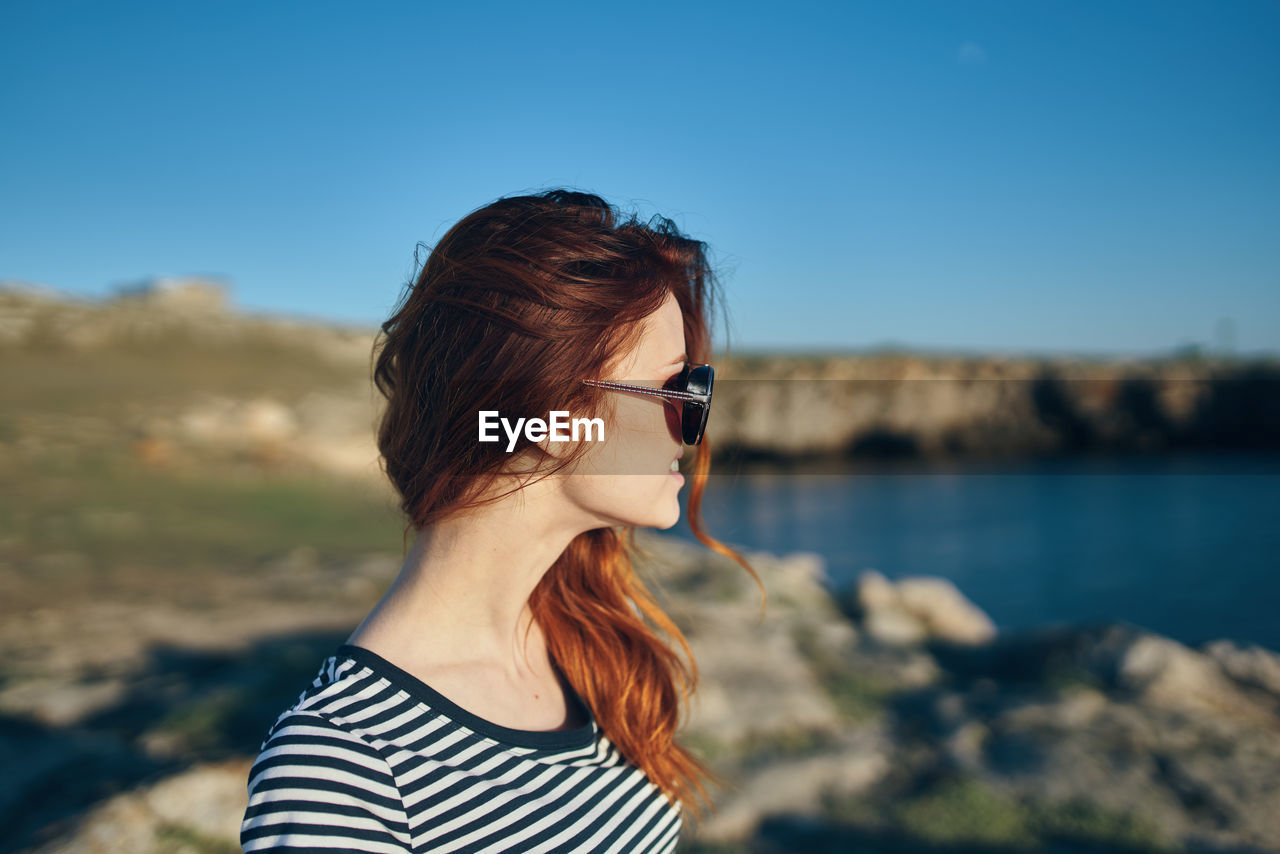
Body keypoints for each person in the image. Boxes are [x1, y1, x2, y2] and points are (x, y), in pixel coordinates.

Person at [239, 188, 762, 853]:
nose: (691, 431)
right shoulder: (344, 772)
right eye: (677, 390)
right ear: (547, 408)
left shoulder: (579, 642)